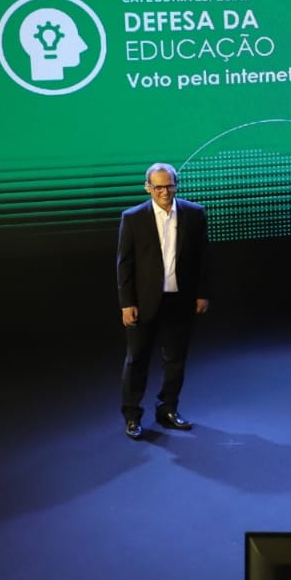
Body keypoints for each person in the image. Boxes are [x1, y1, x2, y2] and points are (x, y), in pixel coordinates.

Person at [116, 162, 210, 439]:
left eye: (169, 185)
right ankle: (132, 416)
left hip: (180, 300)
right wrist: (126, 303)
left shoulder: (194, 214)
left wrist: (202, 293)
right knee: (137, 360)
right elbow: (124, 264)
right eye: (158, 186)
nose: (164, 191)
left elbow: (204, 258)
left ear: (176, 185)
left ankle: (168, 409)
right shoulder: (133, 218)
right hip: (144, 303)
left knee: (175, 360)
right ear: (148, 188)